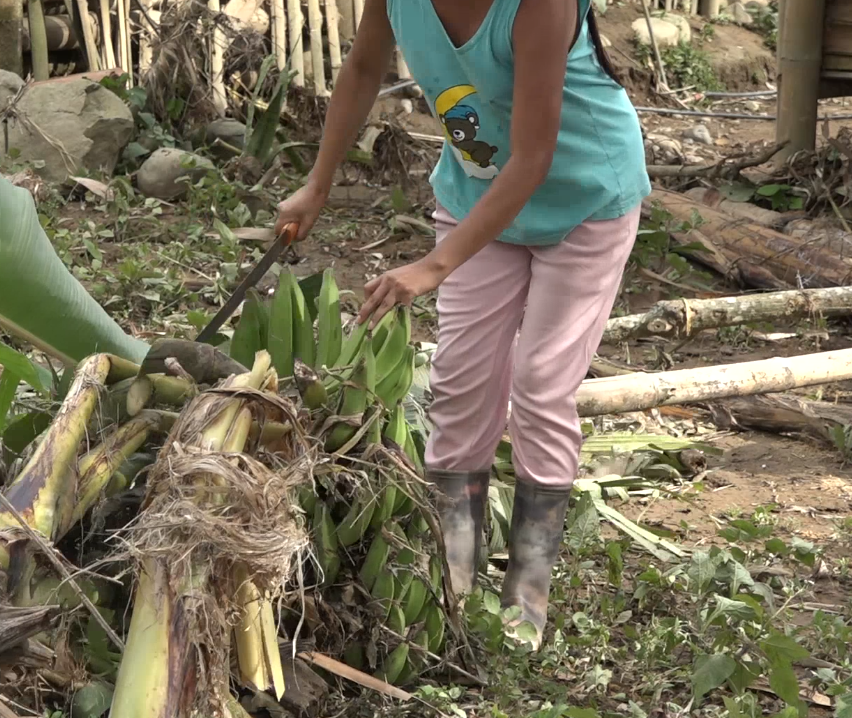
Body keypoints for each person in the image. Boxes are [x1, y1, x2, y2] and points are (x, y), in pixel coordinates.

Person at [274, 0, 650, 649]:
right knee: (461, 385)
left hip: (584, 202)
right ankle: (453, 579)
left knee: (539, 384)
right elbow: (363, 67)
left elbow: (531, 158)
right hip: (477, 200)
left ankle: (527, 593)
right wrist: (318, 182)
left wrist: (435, 265)